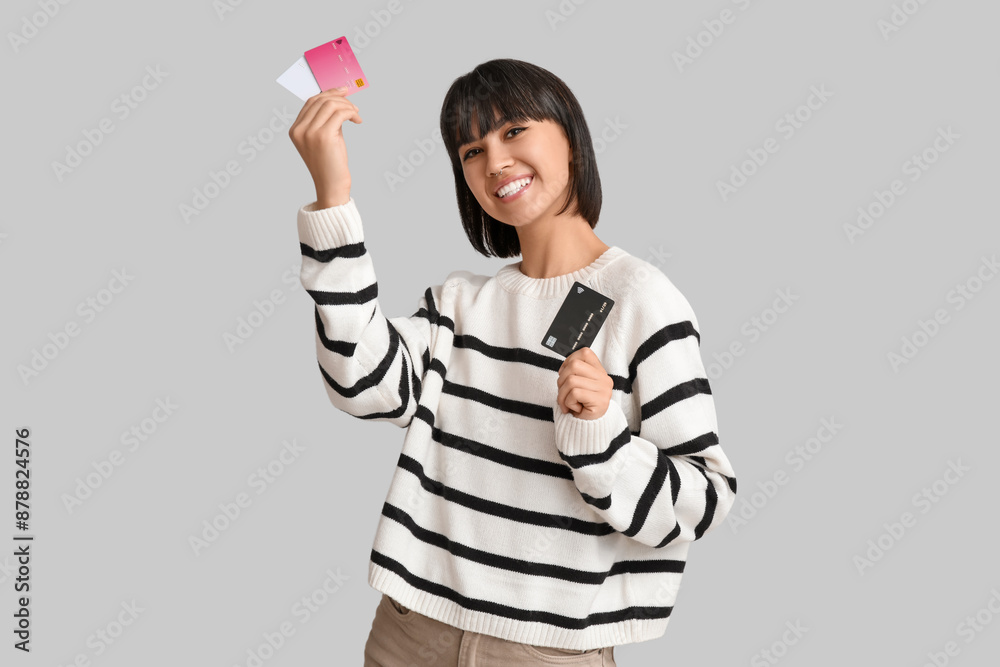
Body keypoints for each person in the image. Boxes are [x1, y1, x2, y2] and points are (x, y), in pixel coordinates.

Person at [288, 58, 737, 666]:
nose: (494, 161)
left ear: (571, 136)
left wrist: (599, 437)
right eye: (471, 151)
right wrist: (332, 201)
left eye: (514, 130)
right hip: (409, 631)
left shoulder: (643, 301)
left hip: (544, 651)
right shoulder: (459, 305)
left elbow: (702, 501)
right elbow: (360, 381)